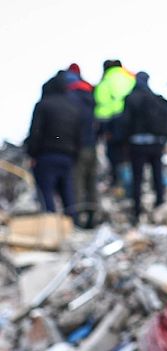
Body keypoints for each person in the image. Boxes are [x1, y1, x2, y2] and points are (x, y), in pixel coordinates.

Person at [25, 72, 81, 217]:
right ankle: (72, 223)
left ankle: (50, 223)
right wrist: (75, 155)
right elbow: (79, 135)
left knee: (46, 193)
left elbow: (36, 132)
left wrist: (32, 153)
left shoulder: (43, 105)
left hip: (46, 156)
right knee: (67, 192)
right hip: (67, 156)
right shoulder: (73, 107)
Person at [122, 71, 167, 222]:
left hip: (137, 145)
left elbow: (125, 122)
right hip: (156, 144)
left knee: (137, 179)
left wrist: (124, 141)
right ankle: (160, 205)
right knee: (157, 176)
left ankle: (137, 211)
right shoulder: (156, 99)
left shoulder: (131, 99)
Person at [64, 63, 98, 228]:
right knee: (91, 181)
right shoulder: (89, 92)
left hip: (76, 145)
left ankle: (77, 219)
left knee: (76, 182)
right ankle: (93, 216)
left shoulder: (69, 93)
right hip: (92, 143)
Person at [94, 60, 136, 189]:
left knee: (115, 157)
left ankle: (119, 185)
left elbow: (101, 107)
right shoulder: (130, 78)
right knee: (130, 157)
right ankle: (131, 186)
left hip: (112, 124)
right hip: (131, 124)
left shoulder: (104, 83)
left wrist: (102, 130)